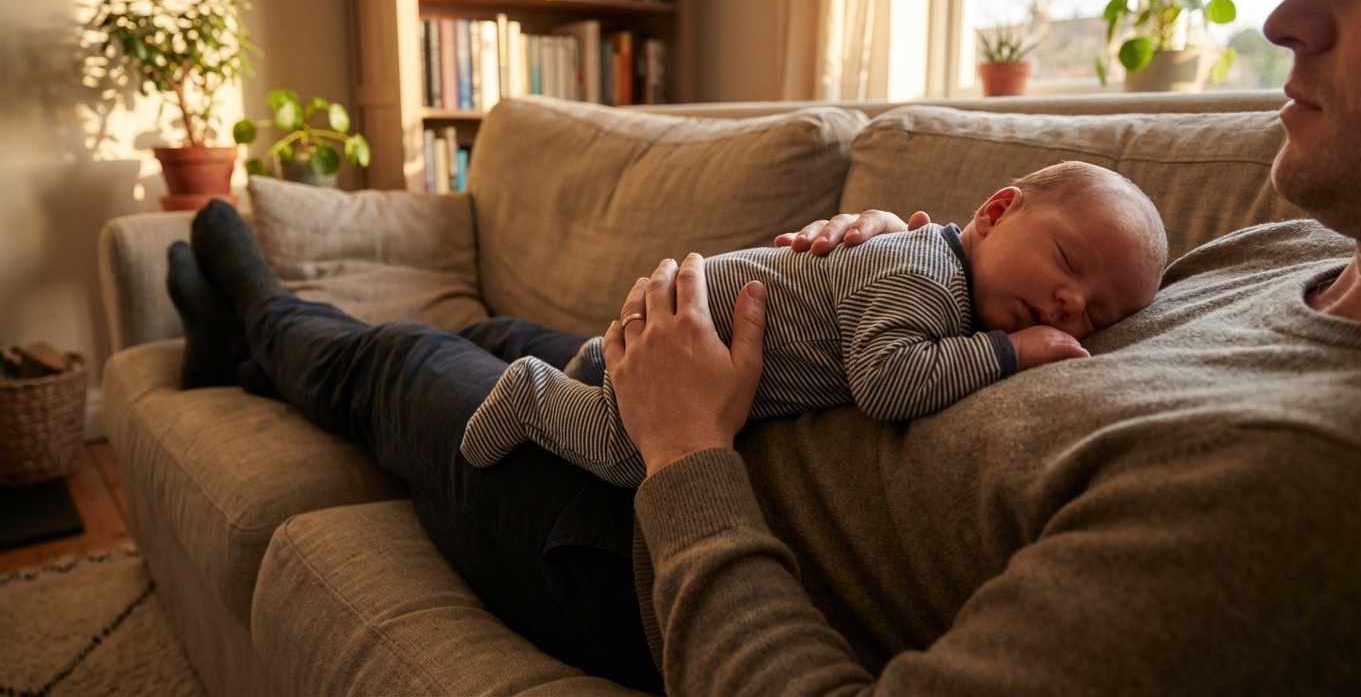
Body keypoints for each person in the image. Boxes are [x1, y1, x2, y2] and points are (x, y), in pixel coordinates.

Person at [166, 0, 1361, 692]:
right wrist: (887, 245)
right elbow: (1055, 318)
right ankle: (243, 333)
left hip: (636, 521)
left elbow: (1029, 333)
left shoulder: (1312, 486)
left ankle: (256, 307)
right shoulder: (1288, 247)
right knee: (484, 336)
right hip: (694, 383)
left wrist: (684, 454)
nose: (1287, 12)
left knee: (392, 364)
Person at [460, 162, 1166, 488]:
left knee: (591, 375)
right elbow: (886, 383)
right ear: (995, 211)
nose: (1073, 304)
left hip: (674, 327)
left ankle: (572, 365)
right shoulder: (923, 275)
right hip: (686, 341)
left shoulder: (930, 268)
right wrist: (1009, 352)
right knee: (622, 456)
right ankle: (531, 393)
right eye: (1067, 261)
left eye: (1101, 311)